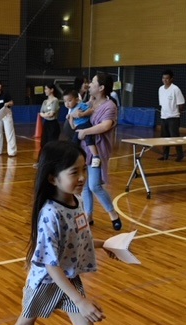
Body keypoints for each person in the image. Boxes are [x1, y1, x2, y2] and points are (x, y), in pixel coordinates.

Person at [0, 141, 131, 325]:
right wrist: (80, 301)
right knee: (25, 324)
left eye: (83, 170)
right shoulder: (49, 213)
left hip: (69, 280)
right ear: (52, 177)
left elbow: (80, 238)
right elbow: (51, 263)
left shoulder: (77, 202)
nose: (82, 177)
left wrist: (107, 244)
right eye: (74, 172)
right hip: (46, 282)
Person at [76, 72, 122, 230]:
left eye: (93, 83)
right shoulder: (91, 102)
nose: (90, 85)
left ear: (101, 87)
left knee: (94, 185)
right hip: (85, 148)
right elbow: (77, 113)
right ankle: (88, 216)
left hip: (99, 149)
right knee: (85, 185)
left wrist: (86, 132)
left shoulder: (110, 106)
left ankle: (113, 214)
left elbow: (105, 126)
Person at [63, 89, 100, 166]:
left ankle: (96, 156)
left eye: (69, 100)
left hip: (85, 124)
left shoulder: (81, 105)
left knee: (88, 140)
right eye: (65, 101)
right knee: (74, 143)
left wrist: (82, 114)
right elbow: (73, 127)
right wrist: (70, 118)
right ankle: (77, 158)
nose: (67, 103)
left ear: (76, 100)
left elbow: (90, 110)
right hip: (78, 127)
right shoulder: (71, 111)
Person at [158, 69, 185, 161]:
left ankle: (180, 155)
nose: (165, 80)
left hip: (173, 117)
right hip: (163, 117)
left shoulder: (175, 89)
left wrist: (177, 113)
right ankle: (165, 155)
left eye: (167, 78)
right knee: (164, 137)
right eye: (163, 78)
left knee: (175, 136)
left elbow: (181, 104)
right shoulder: (160, 89)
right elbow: (162, 103)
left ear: (171, 79)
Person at [34, 83, 60, 167]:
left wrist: (45, 114)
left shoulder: (55, 100)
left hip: (53, 125)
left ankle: (53, 162)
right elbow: (41, 113)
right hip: (46, 124)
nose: (45, 91)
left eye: (46, 89)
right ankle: (41, 162)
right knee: (43, 143)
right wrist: (46, 114)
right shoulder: (45, 102)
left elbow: (52, 114)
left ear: (51, 90)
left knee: (52, 144)